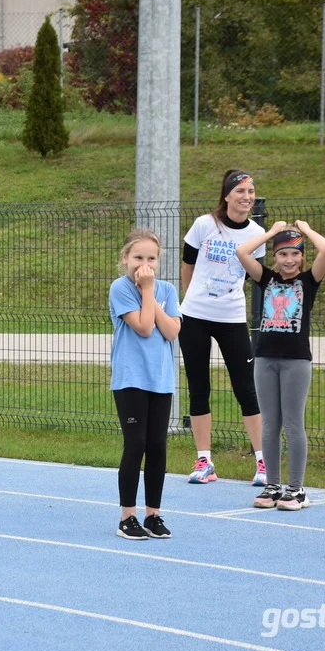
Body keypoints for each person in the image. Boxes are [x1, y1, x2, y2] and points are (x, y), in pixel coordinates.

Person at [236, 221, 325, 510]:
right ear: (274, 257)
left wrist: (306, 229)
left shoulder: (308, 282)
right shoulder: (265, 279)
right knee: (269, 424)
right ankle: (272, 486)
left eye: (295, 254)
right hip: (265, 359)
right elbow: (242, 251)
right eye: (282, 254)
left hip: (296, 361)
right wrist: (269, 233)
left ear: (302, 257)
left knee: (293, 424)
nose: (289, 260)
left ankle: (297, 489)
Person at [180, 169, 267, 485]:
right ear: (227, 195)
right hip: (195, 318)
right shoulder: (205, 225)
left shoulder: (257, 234)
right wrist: (189, 302)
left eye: (251, 192)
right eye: (241, 191)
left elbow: (255, 276)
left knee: (246, 388)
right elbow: (187, 265)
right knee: (199, 387)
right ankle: (204, 461)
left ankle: (262, 463)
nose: (246, 197)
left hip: (232, 319)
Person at [109, 229, 182, 539]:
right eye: (138, 257)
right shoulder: (121, 288)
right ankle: (128, 518)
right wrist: (147, 291)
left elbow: (171, 331)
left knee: (157, 447)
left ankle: (153, 514)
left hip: (160, 379)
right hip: (131, 379)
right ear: (126, 258)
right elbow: (142, 327)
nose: (145, 263)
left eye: (151, 258)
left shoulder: (168, 289)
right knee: (136, 444)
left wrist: (153, 291)